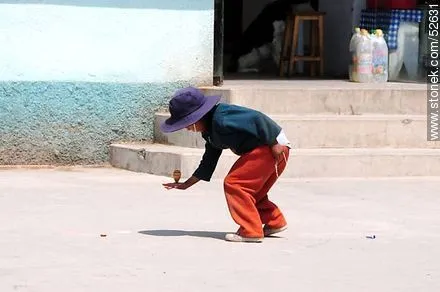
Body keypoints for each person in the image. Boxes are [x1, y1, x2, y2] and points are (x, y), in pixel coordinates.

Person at [161, 87, 291, 243]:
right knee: (254, 193)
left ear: (198, 116)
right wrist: (187, 184)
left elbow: (258, 118)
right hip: (270, 150)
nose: (187, 128)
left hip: (271, 148)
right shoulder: (210, 132)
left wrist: (273, 142)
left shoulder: (222, 118)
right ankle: (274, 222)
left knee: (235, 184)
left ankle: (250, 230)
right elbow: (209, 160)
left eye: (187, 123)